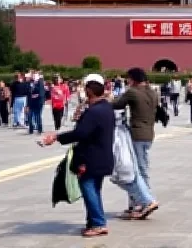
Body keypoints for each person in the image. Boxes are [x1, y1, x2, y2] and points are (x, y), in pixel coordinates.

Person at [41, 74, 115, 238]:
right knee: (94, 190)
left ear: (89, 90)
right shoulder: (106, 108)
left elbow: (81, 133)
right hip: (102, 156)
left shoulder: (94, 112)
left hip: (90, 158)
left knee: (89, 189)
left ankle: (98, 223)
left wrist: (57, 137)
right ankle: (93, 222)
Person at [112, 67, 159, 219]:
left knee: (136, 170)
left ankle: (144, 202)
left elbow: (117, 104)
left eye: (129, 78)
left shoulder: (132, 92)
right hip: (149, 134)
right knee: (141, 168)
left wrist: (106, 98)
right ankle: (136, 203)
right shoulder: (152, 92)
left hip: (137, 134)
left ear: (133, 79)